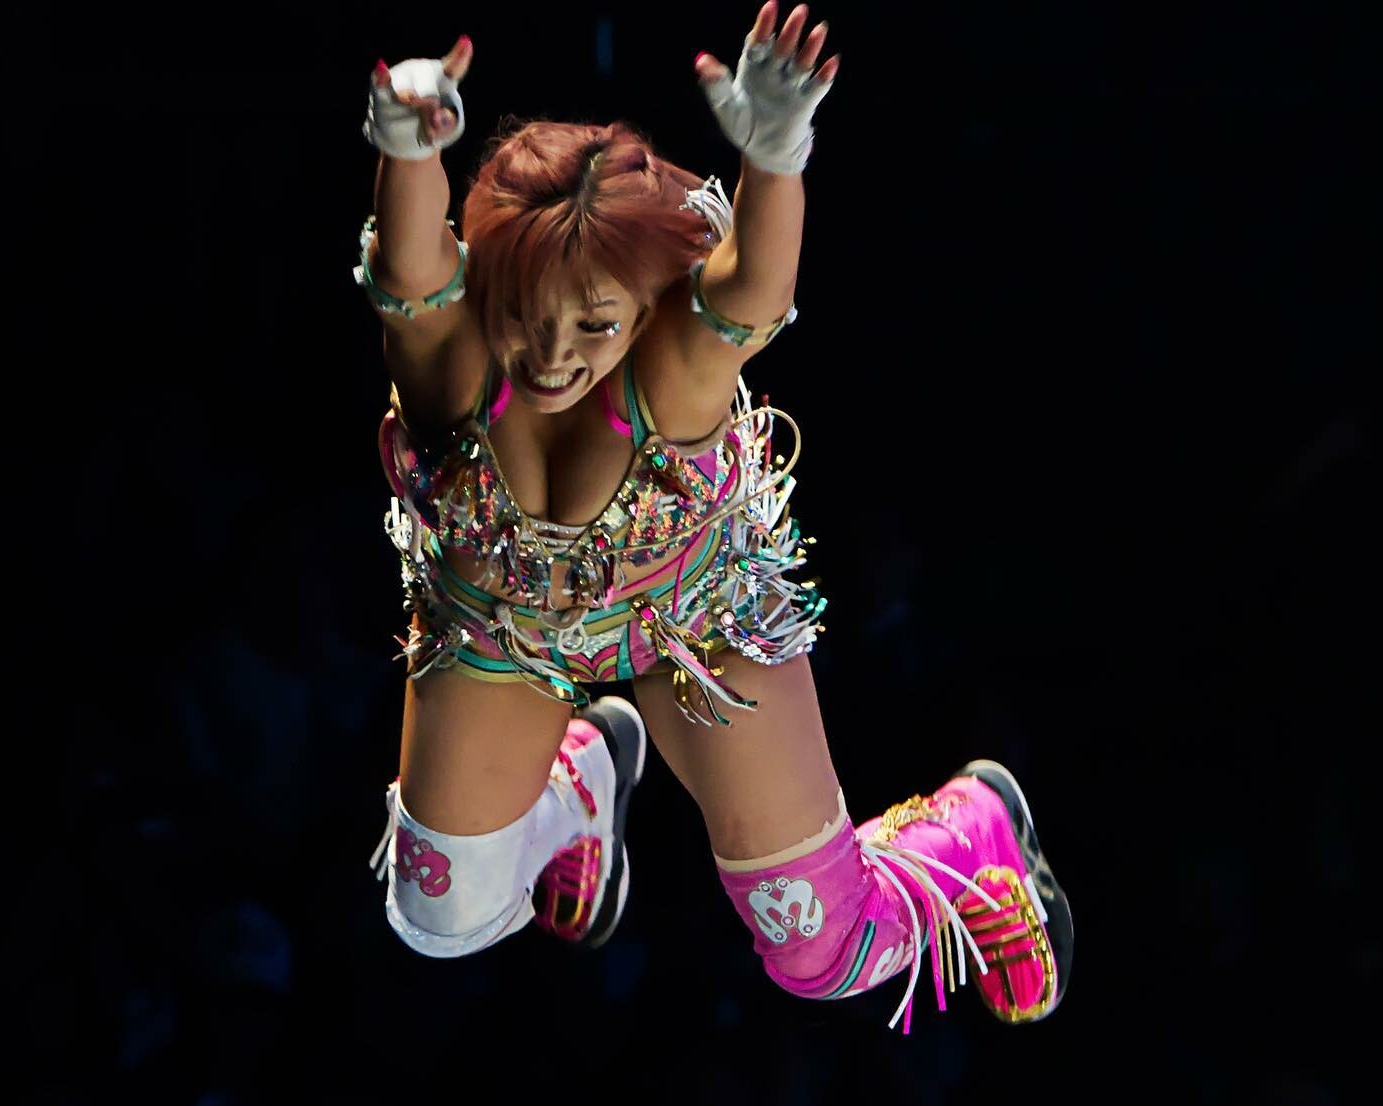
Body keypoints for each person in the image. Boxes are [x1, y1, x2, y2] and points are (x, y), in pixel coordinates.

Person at [359, 4, 1072, 1029]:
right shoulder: (453, 367)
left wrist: (775, 158)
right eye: (526, 318)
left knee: (824, 954)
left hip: (699, 624)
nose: (553, 356)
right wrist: (404, 150)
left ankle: (972, 836)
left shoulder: (671, 374)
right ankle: (584, 785)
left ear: (644, 311)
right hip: (500, 630)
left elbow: (751, 293)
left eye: (596, 323)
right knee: (440, 916)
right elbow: (410, 273)